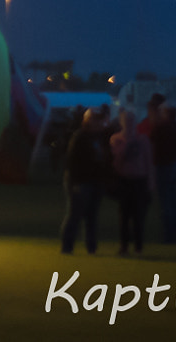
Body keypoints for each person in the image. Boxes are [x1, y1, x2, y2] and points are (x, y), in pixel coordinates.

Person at [60, 106, 110, 255]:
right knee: (75, 214)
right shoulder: (80, 137)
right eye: (96, 120)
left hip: (95, 181)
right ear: (88, 121)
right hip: (81, 182)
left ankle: (91, 247)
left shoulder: (100, 137)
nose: (99, 123)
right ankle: (68, 246)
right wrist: (75, 183)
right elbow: (72, 162)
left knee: (91, 215)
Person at [109, 109, 152, 256]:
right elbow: (116, 162)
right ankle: (124, 246)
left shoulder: (143, 140)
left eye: (131, 121)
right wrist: (126, 146)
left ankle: (138, 247)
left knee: (138, 216)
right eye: (126, 121)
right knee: (124, 215)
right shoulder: (116, 139)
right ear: (121, 123)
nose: (129, 124)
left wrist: (150, 182)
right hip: (124, 180)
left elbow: (149, 162)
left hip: (139, 180)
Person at [147, 95, 176, 243]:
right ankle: (175, 227)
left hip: (162, 166)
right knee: (173, 199)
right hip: (174, 165)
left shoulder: (161, 128)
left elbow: (152, 142)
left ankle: (168, 234)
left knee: (165, 202)